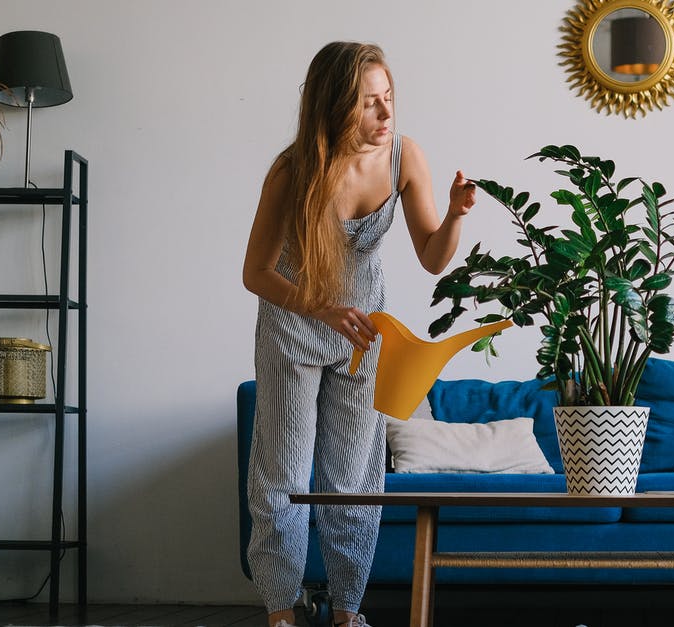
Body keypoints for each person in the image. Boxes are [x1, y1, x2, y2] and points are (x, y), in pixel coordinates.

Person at [241, 41, 476, 627]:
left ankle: (348, 611)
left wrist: (454, 216)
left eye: (388, 99)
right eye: (368, 104)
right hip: (294, 328)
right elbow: (256, 273)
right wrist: (320, 307)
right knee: (284, 477)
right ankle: (281, 611)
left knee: (352, 476)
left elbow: (432, 257)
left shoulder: (403, 157)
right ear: (334, 107)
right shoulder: (293, 170)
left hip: (362, 335)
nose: (384, 115)